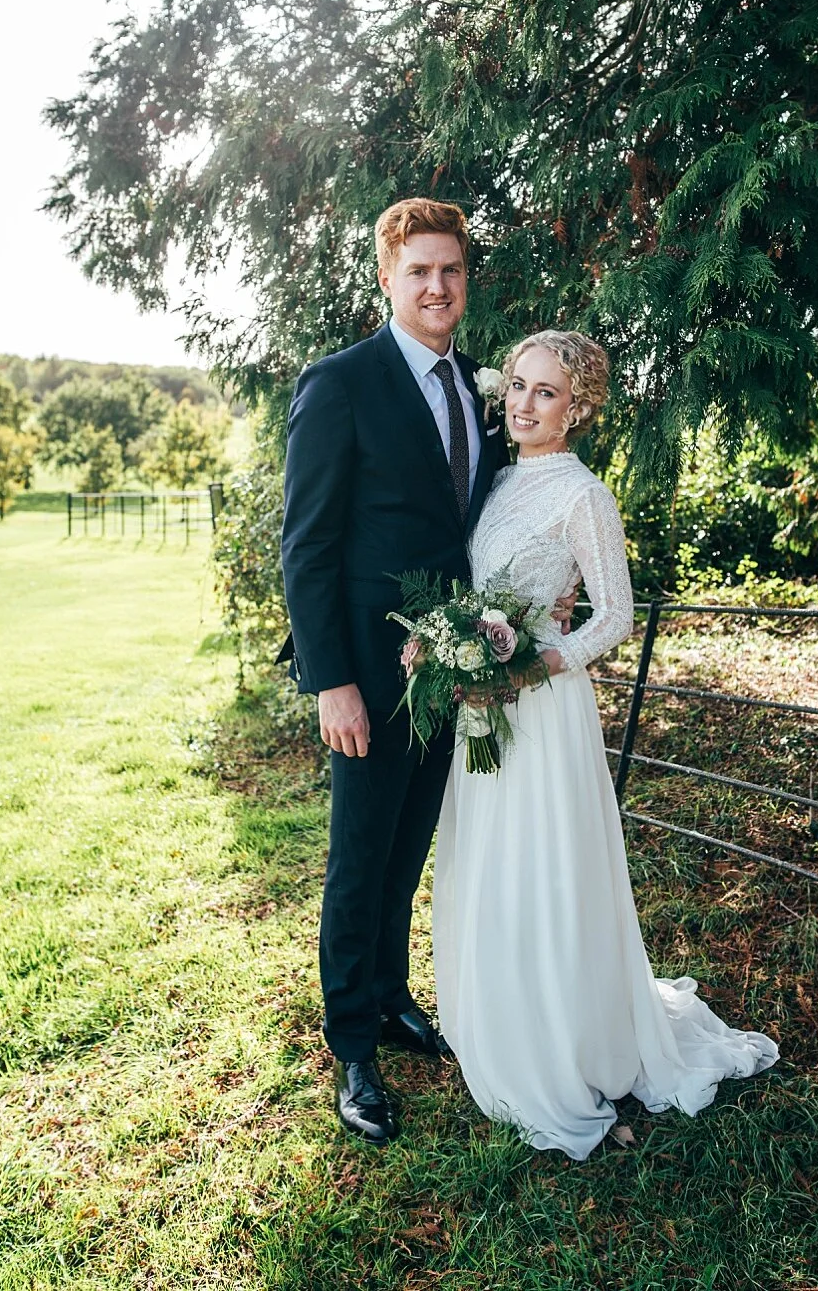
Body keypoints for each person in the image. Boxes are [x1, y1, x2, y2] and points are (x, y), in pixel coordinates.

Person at [432, 330, 779, 1161]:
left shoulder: (584, 495)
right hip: (483, 708)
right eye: (517, 386)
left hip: (542, 710)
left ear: (577, 407)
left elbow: (614, 616)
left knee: (544, 869)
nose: (523, 403)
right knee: (485, 864)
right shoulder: (497, 478)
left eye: (545, 392)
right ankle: (495, 1014)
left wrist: (537, 663)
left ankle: (563, 1038)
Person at [279, 197, 512, 1143]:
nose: (436, 287)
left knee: (409, 847)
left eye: (450, 271)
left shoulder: (477, 390)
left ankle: (389, 995)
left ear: (466, 280)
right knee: (360, 856)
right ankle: (352, 1049)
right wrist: (332, 678)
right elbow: (307, 544)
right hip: (370, 677)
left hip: (451, 668)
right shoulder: (342, 383)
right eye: (418, 271)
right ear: (386, 277)